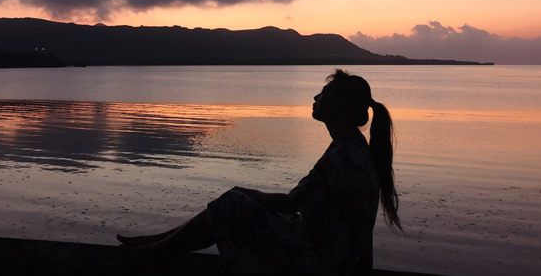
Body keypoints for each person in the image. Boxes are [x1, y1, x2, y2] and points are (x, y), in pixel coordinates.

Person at [117, 69, 402, 275]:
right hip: (327, 254)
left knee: (233, 202)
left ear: (339, 105)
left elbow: (290, 203)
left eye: (324, 93)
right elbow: (358, 224)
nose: (316, 96)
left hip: (316, 259)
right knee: (237, 202)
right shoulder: (354, 148)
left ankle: (154, 251)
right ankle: (155, 244)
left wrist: (245, 193)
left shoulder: (343, 156)